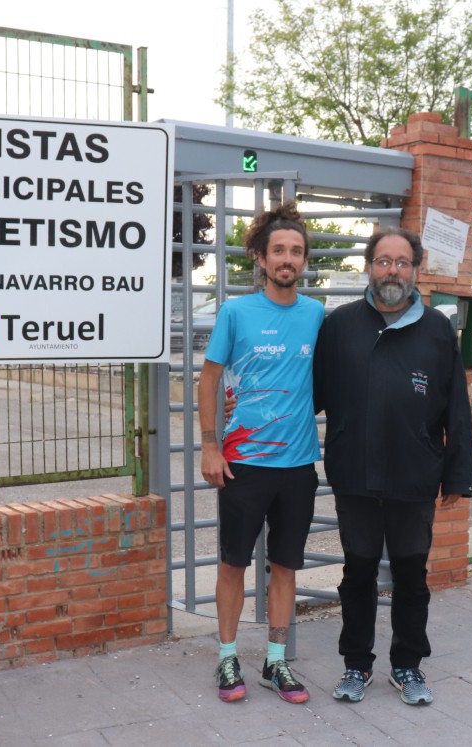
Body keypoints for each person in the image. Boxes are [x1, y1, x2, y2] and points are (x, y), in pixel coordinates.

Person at [314, 226, 472, 706]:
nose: (392, 270)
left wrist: (457, 474)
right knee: (357, 574)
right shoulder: (340, 325)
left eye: (402, 262)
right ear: (368, 267)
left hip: (414, 476)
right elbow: (312, 396)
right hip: (356, 476)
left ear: (416, 270)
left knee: (411, 577)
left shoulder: (438, 329)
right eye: (383, 261)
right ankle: (356, 666)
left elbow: (457, 409)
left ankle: (407, 665)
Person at [198, 201, 325, 705]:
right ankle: (227, 656)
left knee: (286, 566)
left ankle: (276, 664)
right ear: (262, 258)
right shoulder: (236, 311)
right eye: (279, 250)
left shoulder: (317, 315)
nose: (287, 258)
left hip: (297, 466)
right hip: (244, 464)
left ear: (304, 260)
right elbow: (208, 381)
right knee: (233, 564)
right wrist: (210, 444)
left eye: (296, 250)